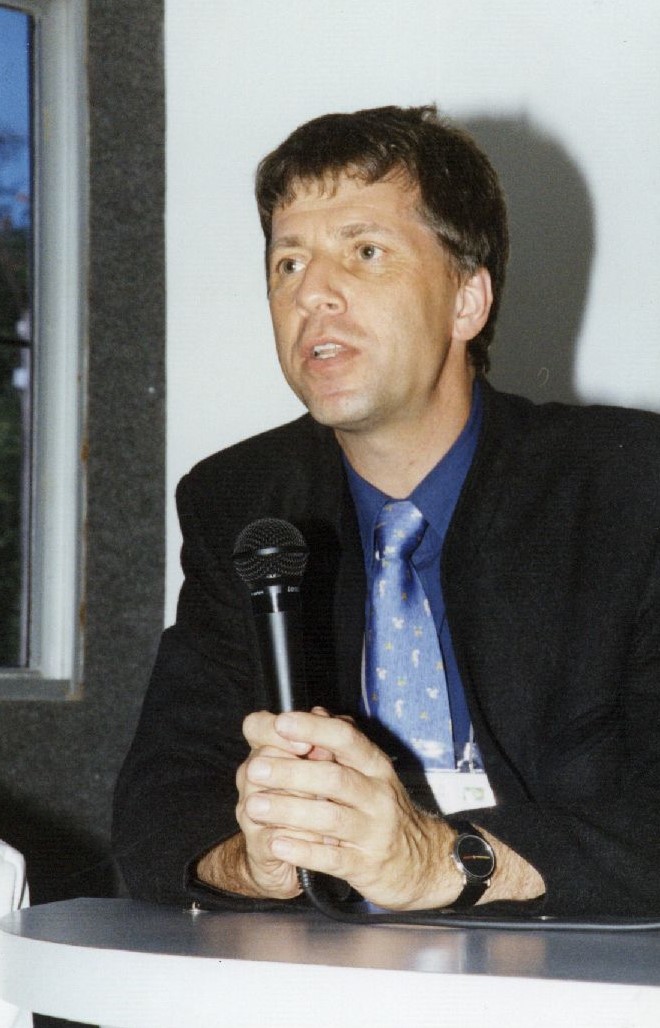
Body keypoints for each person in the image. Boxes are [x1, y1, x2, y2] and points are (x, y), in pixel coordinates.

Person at [112, 105, 660, 917]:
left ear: (467, 300)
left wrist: (440, 862)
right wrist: (256, 862)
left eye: (364, 252)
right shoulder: (242, 502)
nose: (313, 294)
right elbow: (159, 814)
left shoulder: (628, 486)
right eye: (288, 263)